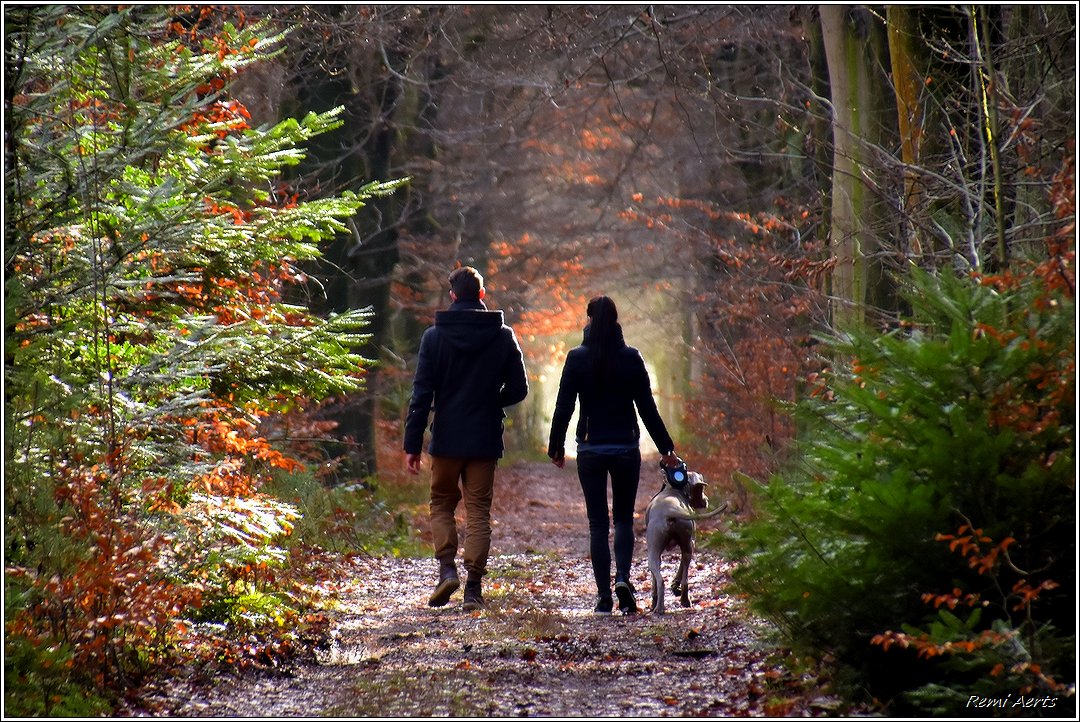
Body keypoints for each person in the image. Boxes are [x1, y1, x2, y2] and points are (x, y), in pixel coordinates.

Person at [404, 266, 529, 611]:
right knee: (478, 512)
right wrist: (490, 400)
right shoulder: (503, 336)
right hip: (484, 438)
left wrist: (412, 444)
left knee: (442, 503)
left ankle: (447, 570)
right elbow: (519, 388)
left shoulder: (433, 338)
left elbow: (421, 394)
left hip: (446, 438)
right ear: (482, 296)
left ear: (453, 297)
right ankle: (473, 589)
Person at [547, 295, 679, 615]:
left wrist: (556, 447)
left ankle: (604, 596)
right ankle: (622, 578)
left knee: (597, 524)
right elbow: (647, 409)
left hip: (591, 449)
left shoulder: (577, 358)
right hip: (625, 449)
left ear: (590, 320)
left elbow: (564, 406)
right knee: (622, 519)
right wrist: (667, 450)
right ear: (616, 320)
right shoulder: (632, 358)